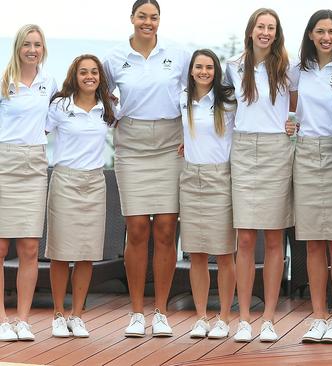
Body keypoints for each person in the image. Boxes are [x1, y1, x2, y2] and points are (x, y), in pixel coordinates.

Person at [103, 0, 190, 337]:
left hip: (170, 142)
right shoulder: (114, 57)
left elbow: (198, 91)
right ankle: (137, 312)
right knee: (137, 228)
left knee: (167, 228)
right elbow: (98, 92)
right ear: (132, 19)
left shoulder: (177, 54)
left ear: (159, 21)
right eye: (142, 16)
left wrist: (193, 134)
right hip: (132, 144)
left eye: (153, 17)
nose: (148, 22)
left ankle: (161, 311)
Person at [225, 8, 297, 343]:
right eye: (261, 26)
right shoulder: (234, 66)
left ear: (276, 32)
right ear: (251, 31)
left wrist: (293, 119)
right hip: (242, 149)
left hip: (276, 150)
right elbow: (219, 107)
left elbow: (301, 101)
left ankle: (268, 317)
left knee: (273, 238)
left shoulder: (287, 67)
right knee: (245, 238)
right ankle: (243, 318)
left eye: (271, 27)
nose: (265, 32)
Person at [290, 9, 332, 344]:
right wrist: (288, 122)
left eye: (331, 31)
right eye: (320, 31)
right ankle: (318, 317)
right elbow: (279, 101)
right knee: (314, 241)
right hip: (305, 152)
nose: (326, 37)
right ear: (311, 35)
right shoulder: (297, 69)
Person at [45, 54, 116, 338]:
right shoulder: (60, 106)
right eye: (83, 72)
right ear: (74, 76)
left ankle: (77, 315)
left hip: (95, 182)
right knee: (61, 253)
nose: (89, 76)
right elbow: (37, 132)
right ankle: (58, 315)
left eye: (94, 72)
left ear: (100, 77)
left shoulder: (107, 108)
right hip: (64, 180)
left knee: (86, 254)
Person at [0, 24, 57, 342]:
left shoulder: (49, 83)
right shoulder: (3, 81)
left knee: (30, 247)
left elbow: (55, 120)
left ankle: (22, 320)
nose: (32, 49)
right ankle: (2, 320)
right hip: (3, 162)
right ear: (18, 47)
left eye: (37, 44)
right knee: (0, 246)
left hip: (35, 163)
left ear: (43, 48)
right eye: (27, 44)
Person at [178, 49, 237, 339]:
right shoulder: (182, 99)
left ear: (216, 71)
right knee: (196, 253)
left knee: (225, 253)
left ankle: (224, 317)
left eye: (209, 67)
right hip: (190, 177)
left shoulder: (228, 101)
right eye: (198, 67)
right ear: (190, 70)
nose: (204, 71)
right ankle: (201, 316)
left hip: (220, 177)